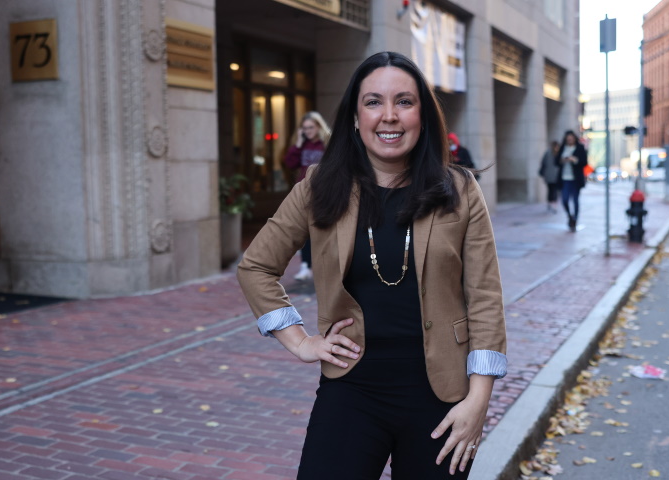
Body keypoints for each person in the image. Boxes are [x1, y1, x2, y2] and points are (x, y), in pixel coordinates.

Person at [237, 51, 507, 479]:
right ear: (355, 117)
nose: (389, 116)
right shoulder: (320, 185)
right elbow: (256, 267)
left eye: (404, 101)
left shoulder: (459, 189)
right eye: (373, 102)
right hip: (351, 389)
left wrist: (478, 401)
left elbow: (485, 298)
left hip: (441, 399)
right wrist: (299, 341)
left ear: (422, 114)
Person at [284, 111, 331, 282]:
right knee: (305, 231)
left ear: (318, 126)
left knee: (322, 229)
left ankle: (323, 265)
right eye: (304, 128)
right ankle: (305, 266)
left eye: (311, 127)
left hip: (324, 193)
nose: (308, 131)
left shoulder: (328, 143)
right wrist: (298, 143)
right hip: (304, 193)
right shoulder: (302, 145)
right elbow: (290, 163)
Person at [555, 130, 588, 232]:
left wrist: (575, 160)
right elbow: (556, 162)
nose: (569, 140)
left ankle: (575, 220)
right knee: (564, 200)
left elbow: (584, 162)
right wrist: (562, 160)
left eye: (571, 138)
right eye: (568, 138)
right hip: (564, 178)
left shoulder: (580, 148)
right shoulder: (562, 148)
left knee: (575, 200)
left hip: (575, 179)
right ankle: (570, 216)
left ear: (574, 139)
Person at [539, 140, 561, 214]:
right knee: (552, 190)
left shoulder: (550, 153)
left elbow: (543, 163)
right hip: (552, 175)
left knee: (552, 190)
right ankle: (552, 204)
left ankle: (551, 203)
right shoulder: (551, 153)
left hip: (552, 176)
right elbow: (543, 163)